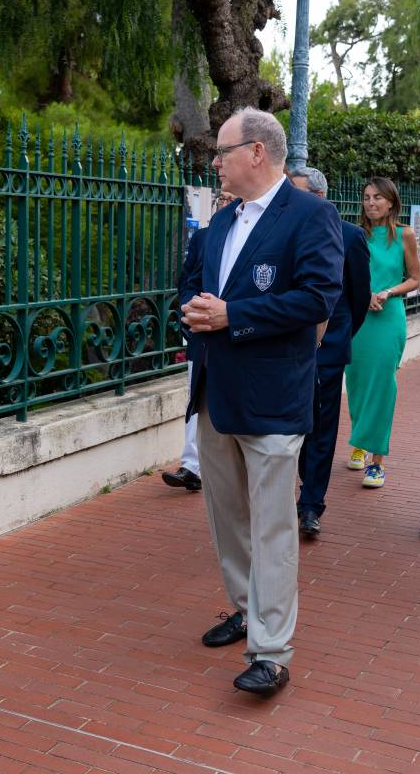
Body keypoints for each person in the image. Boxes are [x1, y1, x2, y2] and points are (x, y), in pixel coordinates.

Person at [179, 107, 343, 696]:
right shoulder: (221, 223)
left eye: (223, 151)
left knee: (272, 525)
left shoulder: (311, 214)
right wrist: (194, 312)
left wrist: (233, 317)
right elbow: (194, 280)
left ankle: (271, 652)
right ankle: (248, 609)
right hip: (215, 392)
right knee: (228, 520)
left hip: (273, 395)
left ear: (257, 152)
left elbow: (319, 298)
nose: (215, 162)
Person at [288, 166, 371, 538]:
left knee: (320, 428)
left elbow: (359, 296)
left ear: (319, 197)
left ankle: (311, 504)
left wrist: (334, 340)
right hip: (286, 350)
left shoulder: (350, 237)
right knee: (291, 427)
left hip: (327, 350)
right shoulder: (284, 231)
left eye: (298, 192)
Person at [343, 177, 420, 488]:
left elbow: (415, 279)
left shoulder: (405, 235)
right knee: (358, 382)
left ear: (391, 202)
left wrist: (388, 292)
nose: (371, 203)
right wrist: (362, 296)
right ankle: (359, 442)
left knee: (382, 384)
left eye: (378, 197)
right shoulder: (353, 235)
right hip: (357, 318)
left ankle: (377, 461)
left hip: (389, 318)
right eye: (367, 197)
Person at [163, 189, 237, 492]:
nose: (224, 204)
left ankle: (228, 467)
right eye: (221, 199)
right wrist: (191, 310)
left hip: (240, 336)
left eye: (231, 199)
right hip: (202, 335)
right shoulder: (203, 237)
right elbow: (188, 280)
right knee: (198, 399)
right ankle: (191, 467)